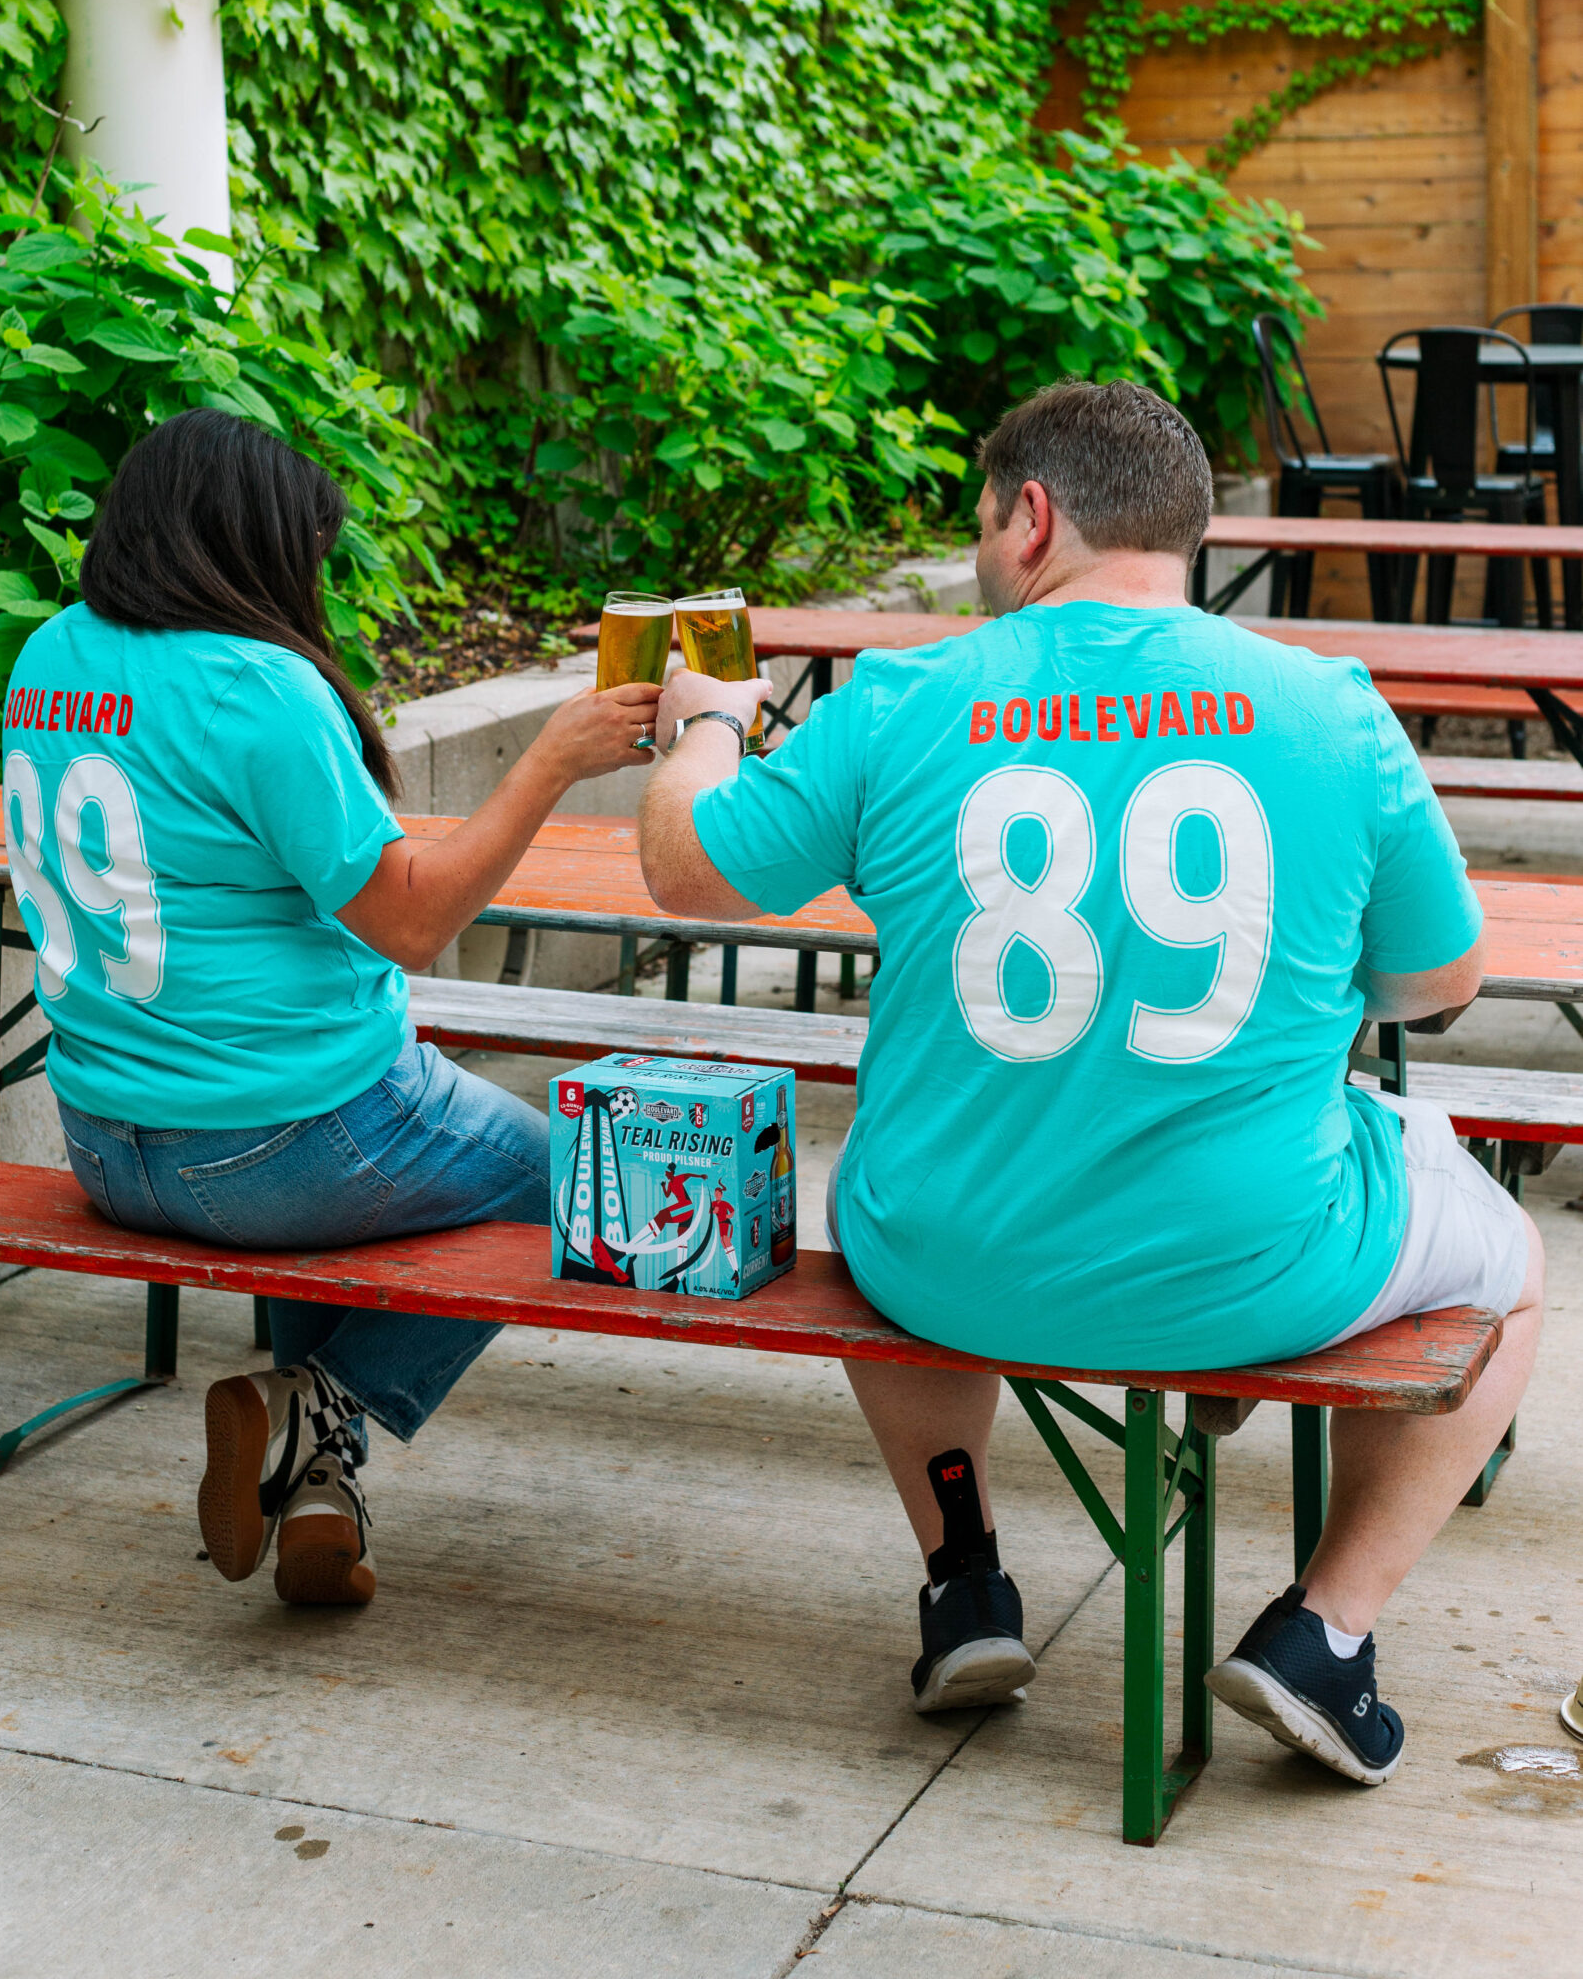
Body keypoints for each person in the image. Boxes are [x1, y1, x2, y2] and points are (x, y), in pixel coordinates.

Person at [639, 379, 1542, 1785]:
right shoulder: (1327, 709)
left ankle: (963, 1579)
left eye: (978, 523)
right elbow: (1437, 983)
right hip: (1253, 1269)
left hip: (945, 1261)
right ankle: (1323, 1634)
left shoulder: (901, 700)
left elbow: (682, 871)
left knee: (873, 1188)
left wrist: (702, 722)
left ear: (1032, 515)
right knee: (1511, 1265)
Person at [1, 409, 658, 1609]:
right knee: (580, 1185)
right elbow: (412, 921)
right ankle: (321, 1402)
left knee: (353, 1163)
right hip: (279, 1145)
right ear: (245, 542)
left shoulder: (50, 655)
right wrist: (553, 759)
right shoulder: (257, 689)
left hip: (102, 1138)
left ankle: (319, 1491)